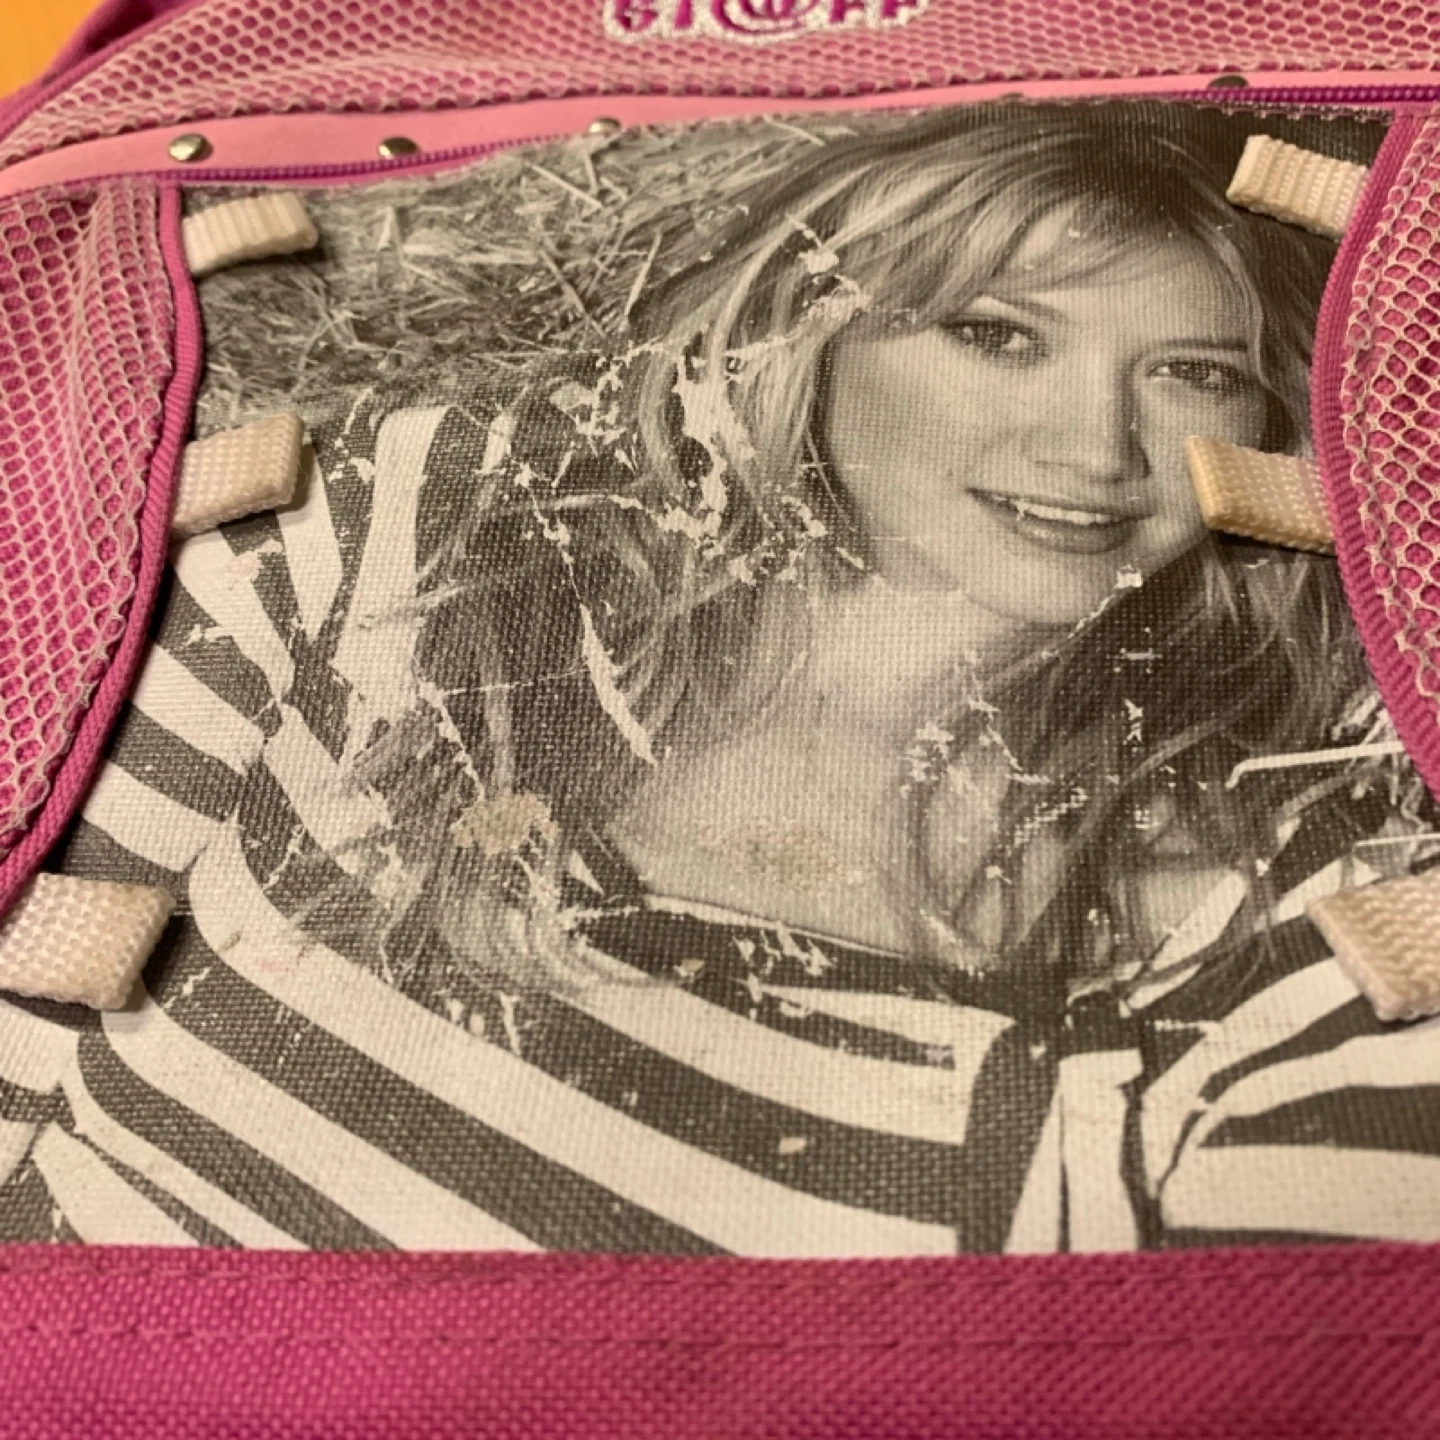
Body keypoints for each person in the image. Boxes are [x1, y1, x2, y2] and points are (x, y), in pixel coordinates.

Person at [2, 102, 1433, 1254]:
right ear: (807, 330)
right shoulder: (415, 532)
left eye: (1193, 373)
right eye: (997, 335)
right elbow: (23, 1011)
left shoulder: (1275, 872)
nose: (1095, 451)